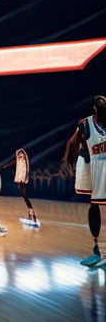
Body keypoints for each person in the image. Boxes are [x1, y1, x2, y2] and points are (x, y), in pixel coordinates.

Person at [62, 95, 106, 269]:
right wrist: (69, 162)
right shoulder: (85, 124)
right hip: (97, 168)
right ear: (95, 108)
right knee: (94, 205)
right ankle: (97, 248)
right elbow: (72, 143)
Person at [0, 148, 39, 228]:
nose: (20, 157)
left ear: (24, 156)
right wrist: (5, 166)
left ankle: (32, 215)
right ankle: (31, 214)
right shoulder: (19, 161)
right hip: (21, 177)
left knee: (25, 195)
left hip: (23, 178)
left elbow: (25, 169)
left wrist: (24, 178)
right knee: (24, 195)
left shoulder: (25, 162)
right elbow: (13, 162)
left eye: (22, 155)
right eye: (19, 155)